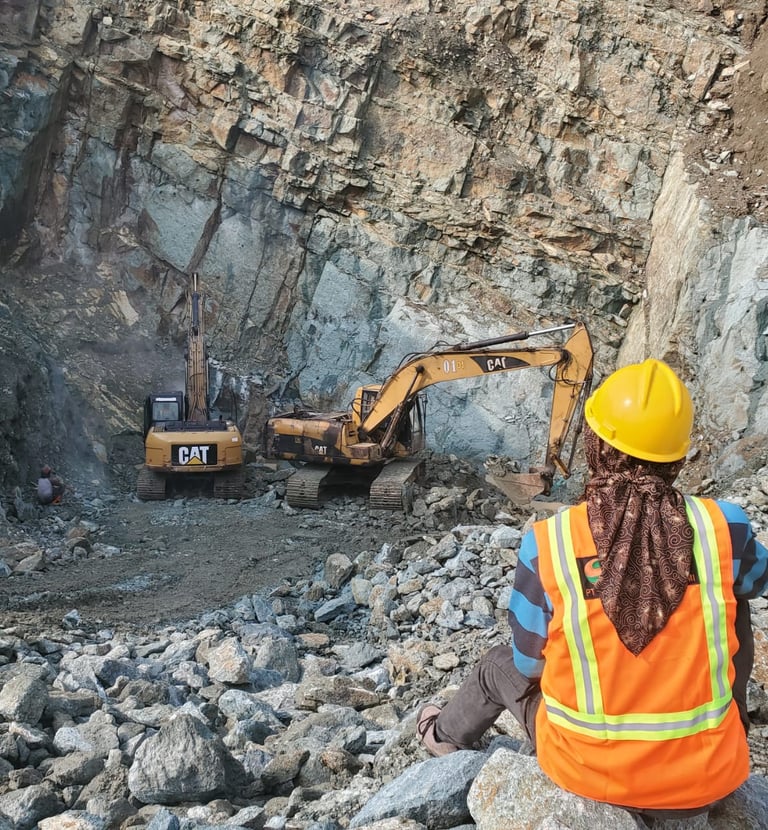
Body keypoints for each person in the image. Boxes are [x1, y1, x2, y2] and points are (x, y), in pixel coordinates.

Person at [416, 358, 768, 820]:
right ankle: (727, 729)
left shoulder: (550, 543)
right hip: (708, 777)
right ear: (677, 457)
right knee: (736, 594)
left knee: (496, 666)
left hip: (593, 773)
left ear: (596, 445)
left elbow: (528, 662)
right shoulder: (726, 527)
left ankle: (441, 737)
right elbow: (758, 582)